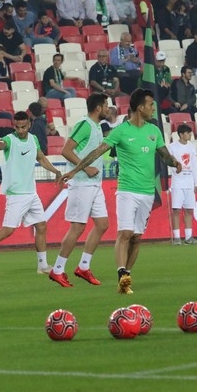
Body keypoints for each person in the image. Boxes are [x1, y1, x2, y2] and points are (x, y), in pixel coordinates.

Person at [59, 89, 182, 294]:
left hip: (147, 191)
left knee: (137, 237)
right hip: (126, 190)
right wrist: (75, 170)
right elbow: (97, 152)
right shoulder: (120, 131)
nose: (153, 108)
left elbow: (164, 155)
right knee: (125, 233)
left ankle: (127, 276)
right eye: (150, 104)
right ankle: (121, 274)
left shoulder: (155, 131)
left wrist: (174, 162)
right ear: (140, 107)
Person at [0, 111, 62, 278]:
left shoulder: (33, 139)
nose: (20, 130)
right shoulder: (10, 139)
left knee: (41, 225)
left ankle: (43, 265)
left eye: (23, 127)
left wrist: (55, 171)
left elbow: (41, 158)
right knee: (7, 230)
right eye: (17, 127)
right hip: (16, 193)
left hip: (31, 192)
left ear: (29, 125)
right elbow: (1, 145)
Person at [49, 94, 110, 287]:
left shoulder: (97, 127)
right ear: (98, 108)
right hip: (82, 183)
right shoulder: (85, 125)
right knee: (77, 228)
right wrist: (85, 168)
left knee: (102, 224)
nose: (109, 109)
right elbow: (66, 150)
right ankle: (57, 270)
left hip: (94, 183)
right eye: (106, 105)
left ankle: (83, 267)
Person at [168, 124, 197, 245]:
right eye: (187, 133)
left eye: (190, 133)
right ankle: (176, 237)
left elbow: (195, 166)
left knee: (189, 210)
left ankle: (188, 237)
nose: (190, 135)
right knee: (176, 210)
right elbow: (168, 162)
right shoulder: (172, 147)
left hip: (189, 182)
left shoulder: (192, 147)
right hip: (177, 182)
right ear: (181, 134)